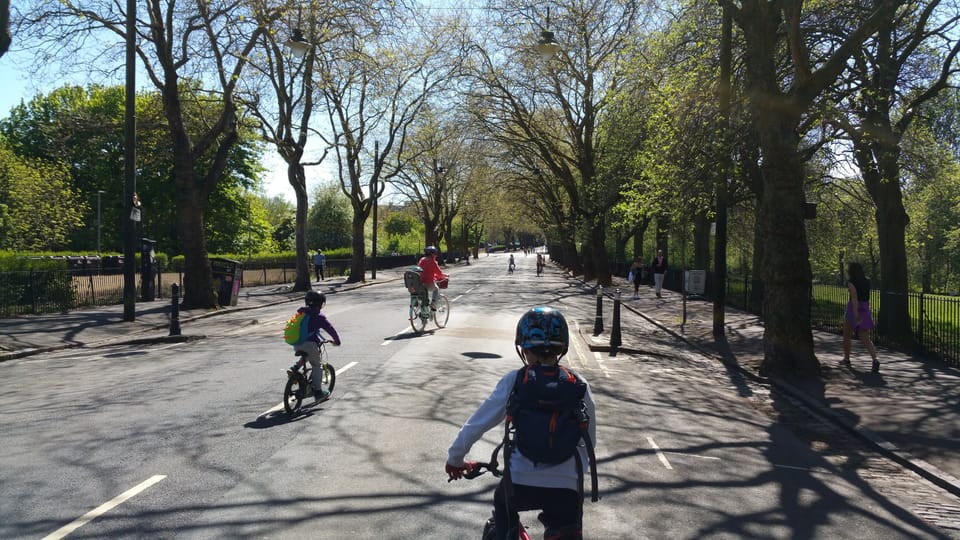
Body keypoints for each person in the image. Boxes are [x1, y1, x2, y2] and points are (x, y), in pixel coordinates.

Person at [446, 307, 597, 540]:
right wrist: (569, 477)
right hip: (567, 486)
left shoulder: (514, 381)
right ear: (562, 347)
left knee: (502, 517)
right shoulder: (578, 385)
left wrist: (455, 459)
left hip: (519, 483)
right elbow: (589, 441)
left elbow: (476, 424)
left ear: (523, 348)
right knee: (566, 526)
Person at [290, 291, 341, 400]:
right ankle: (318, 392)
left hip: (296, 343)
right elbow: (330, 329)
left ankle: (295, 368)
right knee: (316, 365)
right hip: (310, 344)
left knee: (308, 355)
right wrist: (337, 341)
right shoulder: (319, 316)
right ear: (321, 303)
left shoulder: (301, 313)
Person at [842, 262, 880, 373]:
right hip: (865, 307)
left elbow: (854, 298)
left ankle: (847, 358)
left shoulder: (851, 282)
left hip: (853, 310)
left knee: (847, 335)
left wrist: (856, 314)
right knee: (865, 337)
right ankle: (875, 359)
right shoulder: (867, 281)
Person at [417, 246, 448, 310]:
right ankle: (433, 304)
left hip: (420, 283)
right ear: (432, 254)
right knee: (436, 289)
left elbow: (425, 271)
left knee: (425, 293)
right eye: (435, 254)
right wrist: (445, 276)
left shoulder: (422, 260)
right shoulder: (433, 262)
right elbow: (439, 274)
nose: (436, 256)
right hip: (428, 283)